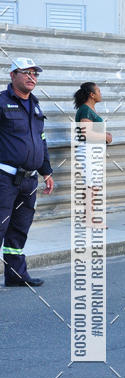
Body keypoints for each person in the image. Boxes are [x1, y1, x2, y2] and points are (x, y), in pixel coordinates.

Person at [0, 57, 53, 287]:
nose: (32, 77)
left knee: (19, 229)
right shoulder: (1, 102)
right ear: (13, 76)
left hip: (29, 181)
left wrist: (47, 172)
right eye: (26, 72)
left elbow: (41, 140)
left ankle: (15, 275)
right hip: (4, 178)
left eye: (35, 73)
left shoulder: (36, 105)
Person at [74, 82, 112, 225]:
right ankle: (89, 218)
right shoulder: (85, 110)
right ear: (92, 94)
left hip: (93, 150)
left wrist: (105, 135)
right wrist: (105, 137)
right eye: (98, 91)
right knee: (90, 184)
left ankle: (89, 216)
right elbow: (86, 134)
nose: (100, 94)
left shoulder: (91, 109)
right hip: (87, 150)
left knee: (94, 185)